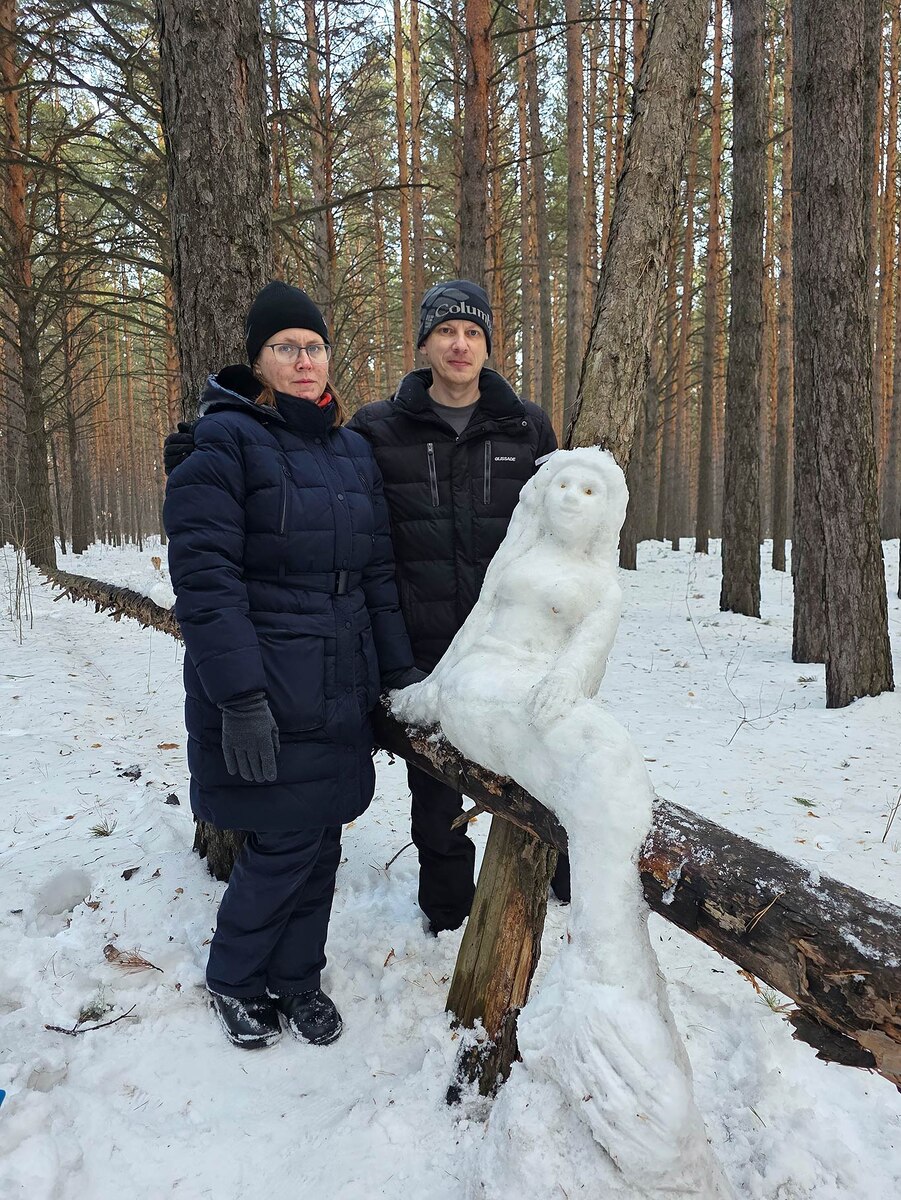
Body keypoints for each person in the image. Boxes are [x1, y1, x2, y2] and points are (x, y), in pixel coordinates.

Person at [165, 278, 567, 935]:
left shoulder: (528, 424)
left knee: (540, 776)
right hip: (421, 647)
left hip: (513, 644)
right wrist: (196, 454)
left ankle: (556, 884)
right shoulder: (379, 427)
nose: (459, 344)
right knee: (436, 797)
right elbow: (312, 467)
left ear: (488, 344)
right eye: (445, 331)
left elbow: (563, 524)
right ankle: (446, 915)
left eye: (472, 332)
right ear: (423, 344)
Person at [163, 281, 417, 1050]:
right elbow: (206, 584)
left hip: (339, 678)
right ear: (258, 361)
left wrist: (398, 676)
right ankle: (236, 978)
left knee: (323, 838)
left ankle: (298, 977)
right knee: (281, 844)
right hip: (268, 682)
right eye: (285, 347)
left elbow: (375, 570)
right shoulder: (223, 442)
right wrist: (238, 695)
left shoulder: (348, 450)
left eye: (313, 346)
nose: (303, 360)